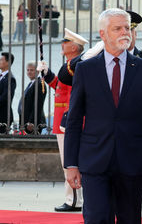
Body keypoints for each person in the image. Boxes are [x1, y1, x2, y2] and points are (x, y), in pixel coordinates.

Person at [63, 8, 142, 223]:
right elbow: (73, 120)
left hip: (133, 161)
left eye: (127, 28)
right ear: (103, 34)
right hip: (94, 161)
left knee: (129, 218)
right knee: (96, 218)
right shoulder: (86, 69)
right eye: (117, 28)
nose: (125, 32)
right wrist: (71, 164)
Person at [38, 28, 88, 212]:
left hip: (68, 122)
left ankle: (74, 200)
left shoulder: (74, 66)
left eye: (66, 42)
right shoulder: (69, 65)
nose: (62, 44)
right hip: (62, 121)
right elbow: (60, 88)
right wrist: (46, 73)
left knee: (70, 162)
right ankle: (74, 198)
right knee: (68, 162)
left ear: (74, 47)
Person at [19, 61, 47, 134]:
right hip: (26, 122)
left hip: (32, 124)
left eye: (31, 70)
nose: (29, 72)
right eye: (27, 70)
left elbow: (38, 104)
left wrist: (31, 122)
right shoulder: (32, 83)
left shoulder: (40, 83)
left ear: (37, 71)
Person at [0, 52, 16, 132]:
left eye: (1, 60)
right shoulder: (2, 77)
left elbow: (5, 97)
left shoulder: (10, 79)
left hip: (3, 116)